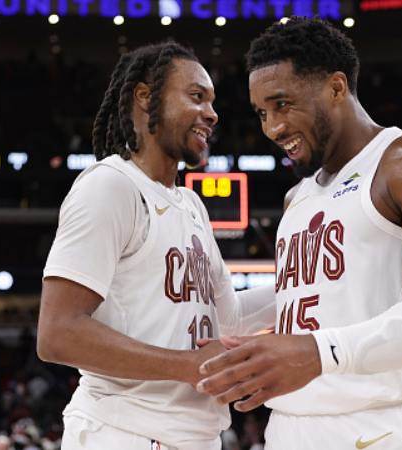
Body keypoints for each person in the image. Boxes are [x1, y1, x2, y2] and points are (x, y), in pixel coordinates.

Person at [197, 17, 402, 449]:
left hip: (386, 428)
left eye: (283, 104)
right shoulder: (297, 196)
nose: (272, 128)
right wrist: (219, 318)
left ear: (336, 87)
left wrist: (319, 352)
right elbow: (310, 294)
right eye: (262, 113)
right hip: (291, 428)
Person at [37, 41, 275, 450]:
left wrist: (307, 285)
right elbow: (58, 332)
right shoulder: (110, 186)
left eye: (212, 101)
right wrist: (187, 366)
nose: (212, 113)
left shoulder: (192, 205)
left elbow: (230, 319)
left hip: (194, 436)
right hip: (125, 434)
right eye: (196, 96)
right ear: (145, 97)